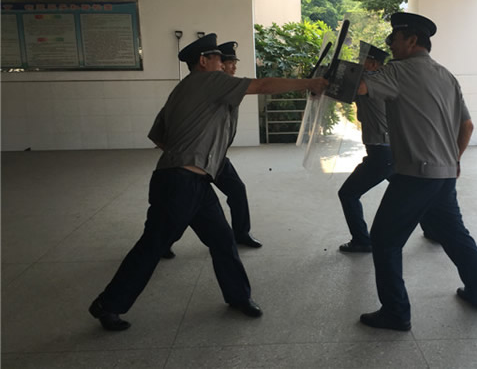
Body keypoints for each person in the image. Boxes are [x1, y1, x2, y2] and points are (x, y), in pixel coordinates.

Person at [89, 33, 328, 331]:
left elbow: (158, 135)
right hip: (179, 183)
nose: (225, 64)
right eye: (219, 59)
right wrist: (309, 83)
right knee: (152, 246)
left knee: (222, 240)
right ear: (203, 61)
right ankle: (108, 304)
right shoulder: (208, 80)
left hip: (195, 182)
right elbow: (263, 86)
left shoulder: (183, 89)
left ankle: (238, 297)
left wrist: (190, 150)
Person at [356, 12, 477, 332]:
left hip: (415, 175)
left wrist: (330, 77)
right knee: (455, 236)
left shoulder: (398, 70)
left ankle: (395, 313)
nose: (390, 45)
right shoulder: (447, 76)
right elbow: (467, 126)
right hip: (444, 174)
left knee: (384, 240)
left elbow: (359, 87)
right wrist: (453, 160)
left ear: (412, 40)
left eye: (394, 38)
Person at [162, 41, 260, 260]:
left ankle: (241, 233)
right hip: (195, 161)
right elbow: (160, 131)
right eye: (229, 62)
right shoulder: (204, 87)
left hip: (217, 157)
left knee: (236, 190)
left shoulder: (226, 86)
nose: (232, 67)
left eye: (233, 62)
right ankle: (162, 242)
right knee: (186, 207)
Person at [338, 41, 393, 253]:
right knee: (410, 192)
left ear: (372, 64)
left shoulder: (369, 82)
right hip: (390, 149)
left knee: (348, 194)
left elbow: (346, 89)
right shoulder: (384, 81)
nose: (358, 63)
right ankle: (435, 228)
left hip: (381, 152)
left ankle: (362, 240)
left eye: (362, 60)